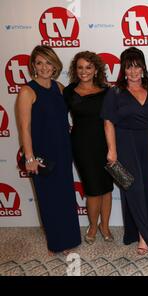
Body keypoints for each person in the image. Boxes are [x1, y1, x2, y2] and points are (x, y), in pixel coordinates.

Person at [15, 45, 81, 255]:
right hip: (42, 155)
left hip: (63, 150)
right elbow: (24, 128)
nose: (44, 67)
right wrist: (30, 157)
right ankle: (56, 242)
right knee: (49, 199)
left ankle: (71, 237)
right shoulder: (27, 91)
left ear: (55, 65)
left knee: (65, 196)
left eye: (48, 62)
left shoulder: (60, 87)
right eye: (39, 63)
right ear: (33, 66)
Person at [101, 47, 148, 255]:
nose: (134, 71)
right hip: (125, 142)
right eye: (129, 67)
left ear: (143, 67)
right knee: (134, 187)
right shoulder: (115, 92)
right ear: (123, 69)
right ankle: (143, 236)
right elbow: (108, 123)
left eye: (137, 66)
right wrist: (112, 150)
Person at [64, 51, 114, 245]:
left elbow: (112, 120)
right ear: (75, 70)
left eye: (88, 67)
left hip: (105, 144)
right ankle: (93, 226)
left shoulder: (107, 91)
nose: (84, 71)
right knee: (93, 189)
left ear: (96, 70)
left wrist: (113, 148)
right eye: (80, 67)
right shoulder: (68, 92)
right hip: (81, 145)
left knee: (107, 188)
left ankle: (105, 226)